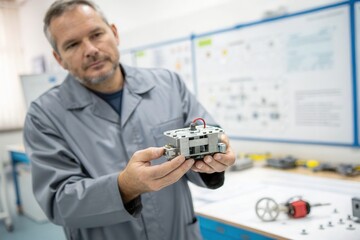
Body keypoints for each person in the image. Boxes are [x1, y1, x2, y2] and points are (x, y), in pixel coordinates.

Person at [23, 1, 235, 239]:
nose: (90, 49)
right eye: (72, 44)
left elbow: (208, 141)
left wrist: (214, 161)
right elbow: (58, 202)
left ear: (114, 33)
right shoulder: (44, 115)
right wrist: (125, 187)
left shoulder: (168, 84)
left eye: (96, 34)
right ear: (59, 58)